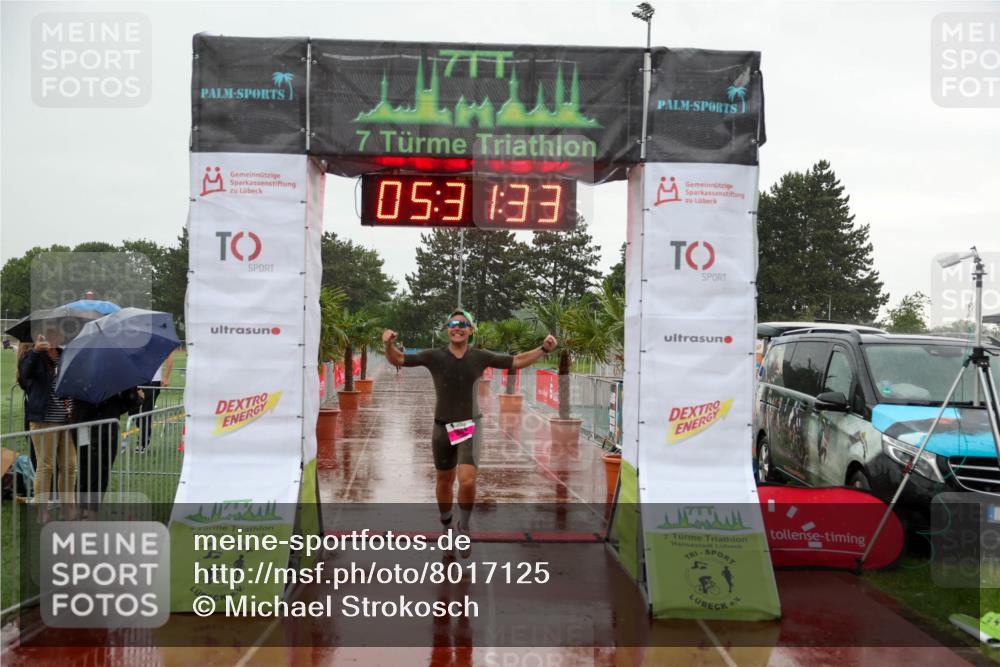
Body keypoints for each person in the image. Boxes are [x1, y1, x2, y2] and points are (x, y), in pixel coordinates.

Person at [383, 310, 557, 548]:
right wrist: (387, 345)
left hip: (468, 426)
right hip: (441, 428)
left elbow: (516, 361)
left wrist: (544, 349)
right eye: (453, 324)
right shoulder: (434, 356)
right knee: (444, 481)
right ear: (447, 329)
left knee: (466, 480)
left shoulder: (479, 357)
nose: (457, 327)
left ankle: (463, 527)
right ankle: (446, 526)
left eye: (463, 324)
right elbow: (399, 359)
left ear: (471, 330)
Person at [18, 329, 77, 521]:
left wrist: (71, 400)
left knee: (69, 466)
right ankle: (42, 511)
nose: (54, 337)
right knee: (46, 465)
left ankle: (67, 507)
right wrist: (35, 351)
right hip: (43, 419)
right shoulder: (33, 356)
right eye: (49, 334)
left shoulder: (65, 354)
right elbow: (25, 376)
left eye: (57, 333)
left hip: (66, 420)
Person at [75, 386, 144, 518]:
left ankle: (81, 509)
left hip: (83, 424)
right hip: (105, 426)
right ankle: (91, 513)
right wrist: (139, 398)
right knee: (100, 470)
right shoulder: (116, 370)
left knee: (85, 467)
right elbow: (130, 400)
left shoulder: (80, 370)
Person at [130, 349, 175, 452]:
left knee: (146, 413)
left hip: (153, 382)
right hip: (137, 381)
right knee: (133, 412)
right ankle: (143, 434)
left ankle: (143, 443)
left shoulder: (158, 339)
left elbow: (169, 357)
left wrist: (166, 377)